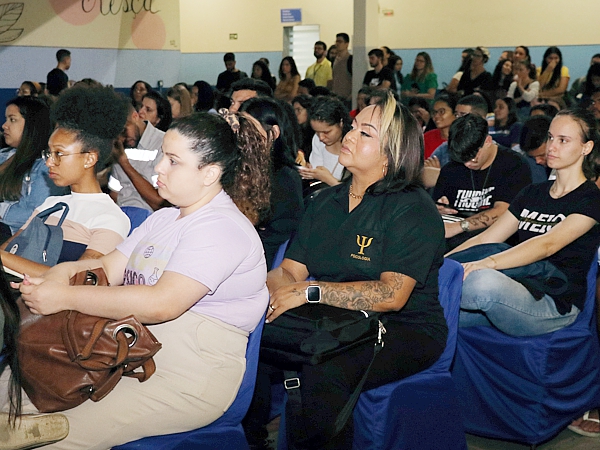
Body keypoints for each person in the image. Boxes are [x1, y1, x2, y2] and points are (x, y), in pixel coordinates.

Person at [6, 111, 271, 449]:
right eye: (162, 156)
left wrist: (64, 297)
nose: (159, 167)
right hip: (128, 351)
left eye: (173, 161)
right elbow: (107, 267)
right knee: (12, 398)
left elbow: (161, 304)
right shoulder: (164, 219)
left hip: (187, 375)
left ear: (210, 173)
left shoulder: (222, 227)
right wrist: (61, 274)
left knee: (50, 436)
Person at [259, 91, 446, 449]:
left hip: (403, 328)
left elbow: (391, 295)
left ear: (391, 154)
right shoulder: (323, 201)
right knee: (248, 336)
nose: (349, 135)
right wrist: (257, 293)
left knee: (326, 366)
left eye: (365, 133)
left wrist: (311, 291)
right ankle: (253, 439)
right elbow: (290, 272)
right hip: (335, 317)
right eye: (353, 126)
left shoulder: (412, 209)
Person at [447, 108, 600, 338]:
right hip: (515, 286)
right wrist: (441, 265)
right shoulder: (532, 193)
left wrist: (487, 263)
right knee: (430, 311)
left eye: (563, 140)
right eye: (551, 137)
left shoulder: (591, 199)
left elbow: (547, 245)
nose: (552, 147)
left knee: (480, 282)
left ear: (586, 148)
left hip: (553, 301)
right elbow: (486, 238)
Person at [0, 87, 131, 280]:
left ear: (89, 159)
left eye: (59, 153)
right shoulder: (50, 205)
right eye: (49, 153)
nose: (49, 162)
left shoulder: (110, 218)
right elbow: (9, 250)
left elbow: (76, 279)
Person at [434, 114, 532, 251]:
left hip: (494, 244)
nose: (468, 164)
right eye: (463, 159)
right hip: (450, 240)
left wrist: (459, 226)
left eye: (473, 158)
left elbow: (504, 212)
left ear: (488, 141)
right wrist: (439, 209)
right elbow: (436, 205)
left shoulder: (514, 164)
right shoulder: (451, 169)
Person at [241, 97, 304, 269]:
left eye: (251, 129)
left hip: (263, 259)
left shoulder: (284, 177)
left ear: (274, 133)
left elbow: (273, 231)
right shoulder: (245, 167)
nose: (244, 135)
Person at [0, 97, 67, 241]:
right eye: (6, 119)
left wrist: (2, 211)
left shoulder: (45, 165)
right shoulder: (4, 155)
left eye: (12, 120)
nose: (4, 125)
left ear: (32, 125)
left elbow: (38, 214)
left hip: (19, 239)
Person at [300, 96, 351, 186]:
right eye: (317, 132)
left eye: (326, 132)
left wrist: (328, 179)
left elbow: (355, 192)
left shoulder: (355, 145)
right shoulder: (317, 140)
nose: (321, 137)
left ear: (341, 123)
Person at [423, 94, 457, 159]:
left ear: (455, 114)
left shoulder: (463, 138)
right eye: (434, 112)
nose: (436, 116)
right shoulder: (427, 138)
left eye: (441, 111)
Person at [328, 33, 353, 107]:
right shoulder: (335, 60)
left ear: (346, 44)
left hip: (346, 98)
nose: (337, 44)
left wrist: (350, 96)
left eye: (340, 41)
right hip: (335, 97)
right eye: (336, 41)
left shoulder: (350, 59)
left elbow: (354, 79)